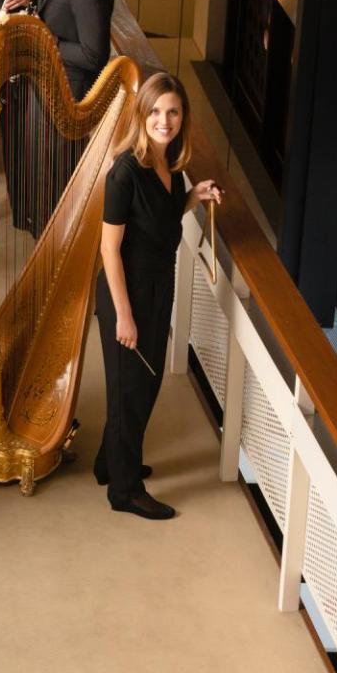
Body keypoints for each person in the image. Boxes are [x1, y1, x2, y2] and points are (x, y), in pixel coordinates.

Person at [95, 72, 222, 520]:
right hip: (125, 292)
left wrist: (193, 197)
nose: (163, 120)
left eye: (172, 111)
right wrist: (123, 317)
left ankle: (110, 462)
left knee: (142, 386)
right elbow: (109, 249)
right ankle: (124, 490)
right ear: (141, 115)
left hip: (157, 286)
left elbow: (162, 216)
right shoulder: (124, 172)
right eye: (154, 111)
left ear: (182, 116)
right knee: (131, 388)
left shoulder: (172, 166)